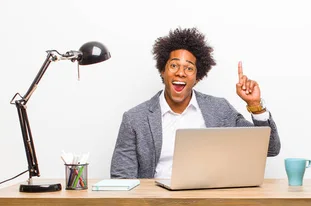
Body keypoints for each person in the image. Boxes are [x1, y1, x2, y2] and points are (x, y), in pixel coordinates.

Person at [110, 27, 281, 179]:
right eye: (174, 66)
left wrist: (256, 106)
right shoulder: (134, 119)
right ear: (163, 71)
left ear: (197, 78)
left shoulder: (220, 110)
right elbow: (121, 179)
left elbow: (269, 149)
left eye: (189, 68)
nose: (181, 73)